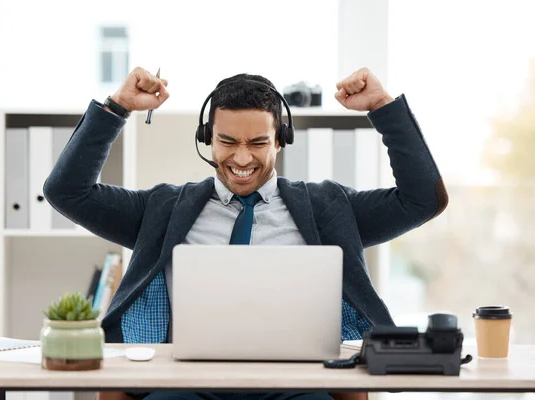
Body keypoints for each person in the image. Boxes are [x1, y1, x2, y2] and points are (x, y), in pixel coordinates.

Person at [43, 66, 448, 400]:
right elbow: (66, 191)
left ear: (280, 141)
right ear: (207, 138)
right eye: (227, 141)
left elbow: (422, 200)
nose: (241, 158)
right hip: (188, 384)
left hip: (297, 384)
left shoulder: (330, 207)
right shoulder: (162, 209)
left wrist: (383, 107)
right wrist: (117, 108)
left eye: (258, 143)